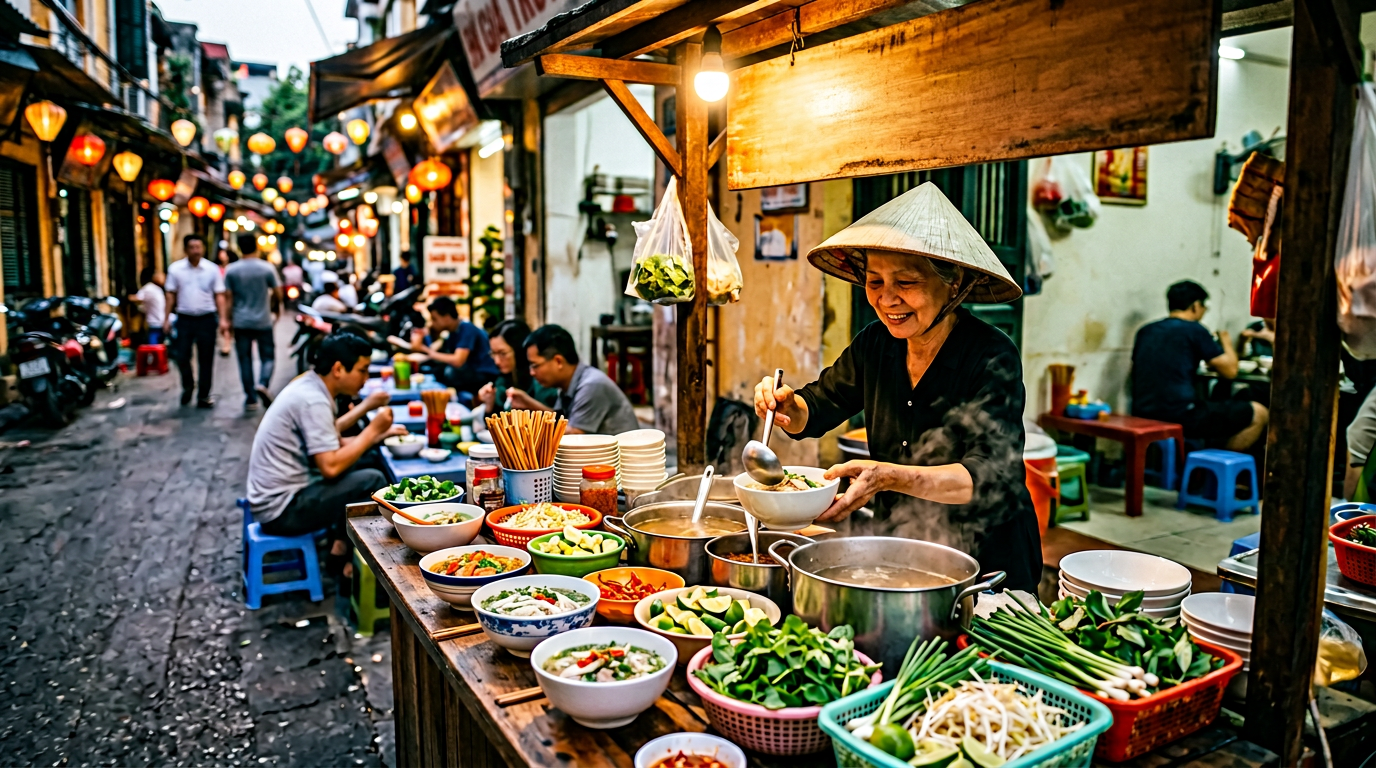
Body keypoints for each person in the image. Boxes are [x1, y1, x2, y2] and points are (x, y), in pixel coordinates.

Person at [753, 182, 1041, 593]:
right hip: (899, 545)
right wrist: (787, 405)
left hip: (983, 559)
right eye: (874, 282)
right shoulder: (877, 343)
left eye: (906, 282)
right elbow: (818, 407)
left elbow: (989, 477)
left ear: (954, 282)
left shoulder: (990, 355)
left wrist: (887, 477)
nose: (887, 299)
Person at [246, 331, 404, 578]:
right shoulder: (314, 400)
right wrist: (372, 431)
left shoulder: (310, 385)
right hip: (282, 509)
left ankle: (340, 546)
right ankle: (348, 556)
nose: (365, 377)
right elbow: (329, 467)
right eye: (362, 370)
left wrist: (378, 436)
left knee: (372, 459)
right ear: (339, 369)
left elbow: (333, 442)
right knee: (373, 480)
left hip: (283, 494)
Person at [1130, 280, 1269, 451]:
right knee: (1260, 413)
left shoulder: (1145, 330)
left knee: (1217, 404)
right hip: (1179, 414)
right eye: (1204, 307)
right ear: (1196, 306)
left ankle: (1205, 463)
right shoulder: (1195, 330)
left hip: (1143, 411)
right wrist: (1225, 340)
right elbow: (1231, 371)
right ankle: (1217, 469)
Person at [521, 324, 639, 435]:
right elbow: (559, 419)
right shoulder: (567, 386)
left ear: (558, 361)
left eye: (535, 366)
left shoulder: (592, 385)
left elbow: (573, 436)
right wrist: (527, 403)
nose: (532, 372)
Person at [164, 234, 228, 408]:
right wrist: (166, 319)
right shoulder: (176, 269)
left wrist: (223, 320)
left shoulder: (212, 269)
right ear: (185, 249)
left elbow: (219, 295)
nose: (195, 251)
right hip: (184, 318)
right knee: (182, 356)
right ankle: (188, 385)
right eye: (192, 248)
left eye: (198, 247)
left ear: (203, 249)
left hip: (206, 318)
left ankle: (204, 394)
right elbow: (170, 294)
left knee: (206, 358)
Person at [225, 232, 282, 410]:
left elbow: (228, 298)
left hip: (241, 321)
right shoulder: (266, 268)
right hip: (263, 320)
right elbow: (279, 293)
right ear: (256, 246)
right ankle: (263, 383)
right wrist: (273, 307)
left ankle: (250, 398)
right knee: (268, 356)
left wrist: (227, 320)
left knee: (244, 359)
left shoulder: (231, 270)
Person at [415, 297, 500, 395]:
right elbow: (435, 354)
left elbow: (458, 361)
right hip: (470, 372)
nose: (432, 323)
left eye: (434, 319)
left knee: (449, 372)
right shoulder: (452, 333)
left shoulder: (466, 328)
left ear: (447, 318)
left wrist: (425, 349)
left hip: (484, 374)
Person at [476, 320, 560, 417]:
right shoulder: (503, 382)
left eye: (502, 353)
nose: (497, 361)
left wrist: (528, 404)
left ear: (519, 351)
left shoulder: (541, 379)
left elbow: (561, 420)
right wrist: (489, 405)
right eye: (493, 354)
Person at [132, 267, 169, 345]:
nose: (162, 276)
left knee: (154, 347)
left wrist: (126, 298)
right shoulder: (153, 289)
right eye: (158, 274)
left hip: (156, 323)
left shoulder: (150, 288)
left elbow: (136, 298)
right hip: (162, 322)